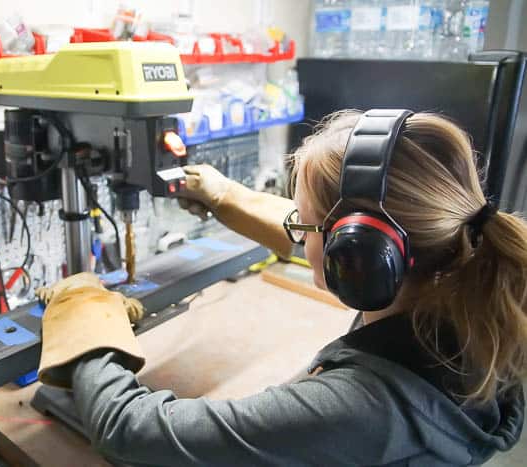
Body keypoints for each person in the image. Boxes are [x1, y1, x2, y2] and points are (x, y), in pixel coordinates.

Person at [36, 110, 526, 466]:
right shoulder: (465, 299)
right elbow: (309, 231)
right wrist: (225, 196)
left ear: (356, 256)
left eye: (307, 226)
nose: (297, 231)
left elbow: (129, 430)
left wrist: (86, 319)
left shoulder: (361, 406)